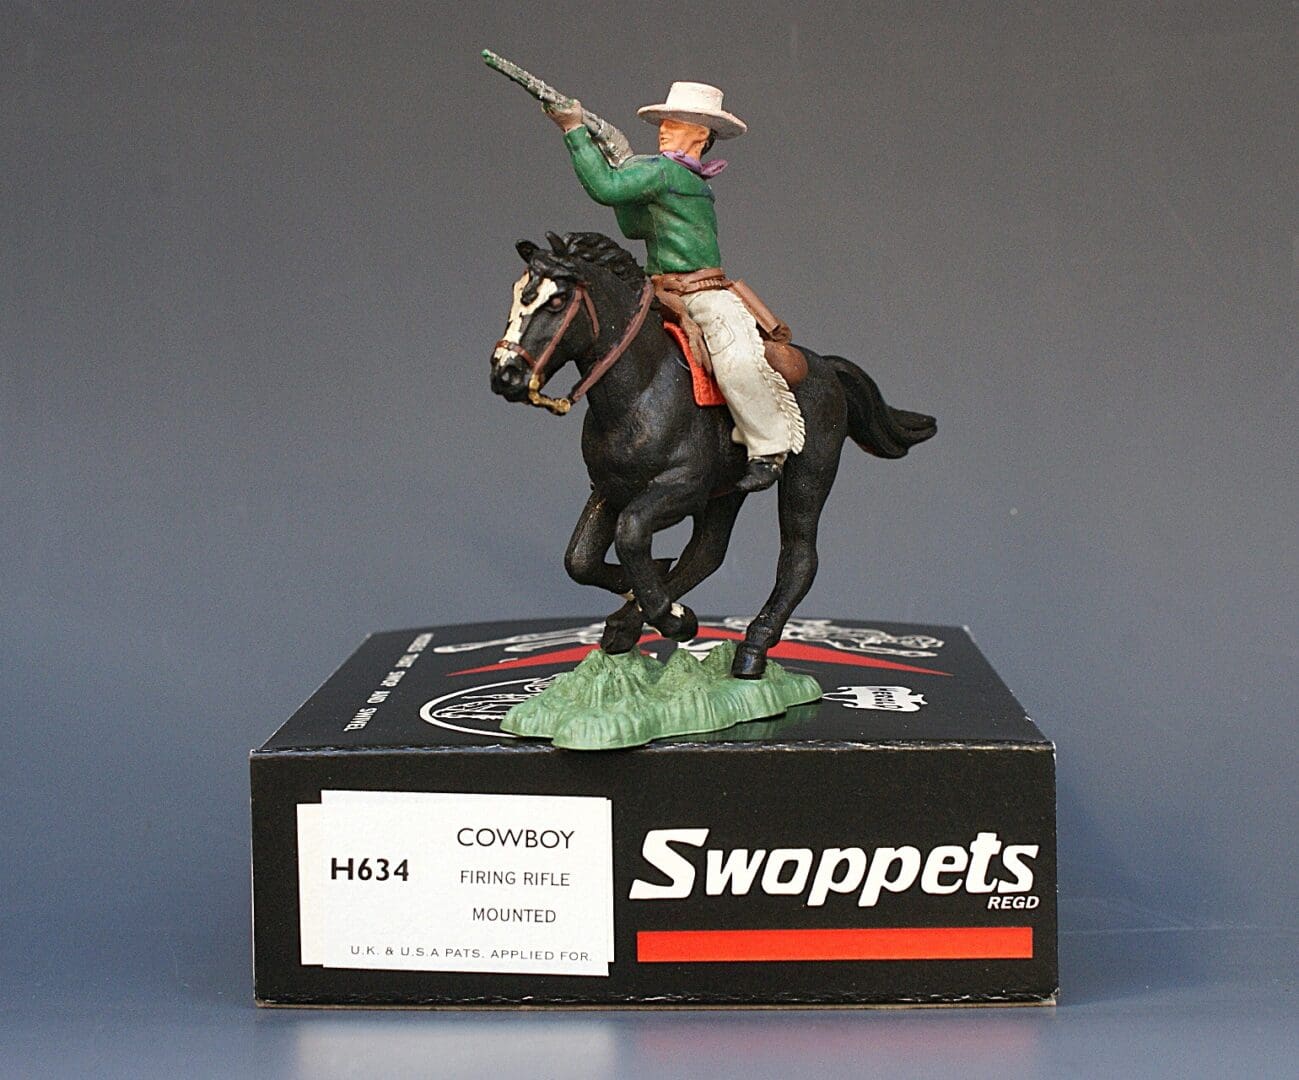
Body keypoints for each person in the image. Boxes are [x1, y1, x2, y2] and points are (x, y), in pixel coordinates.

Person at [546, 82, 804, 493]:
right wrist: (618, 159)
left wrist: (575, 131)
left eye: (675, 123)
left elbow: (606, 189)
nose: (664, 129)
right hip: (658, 290)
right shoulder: (664, 174)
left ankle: (769, 447)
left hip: (702, 292)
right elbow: (633, 225)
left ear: (700, 134)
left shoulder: (668, 173)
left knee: (736, 358)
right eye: (664, 122)